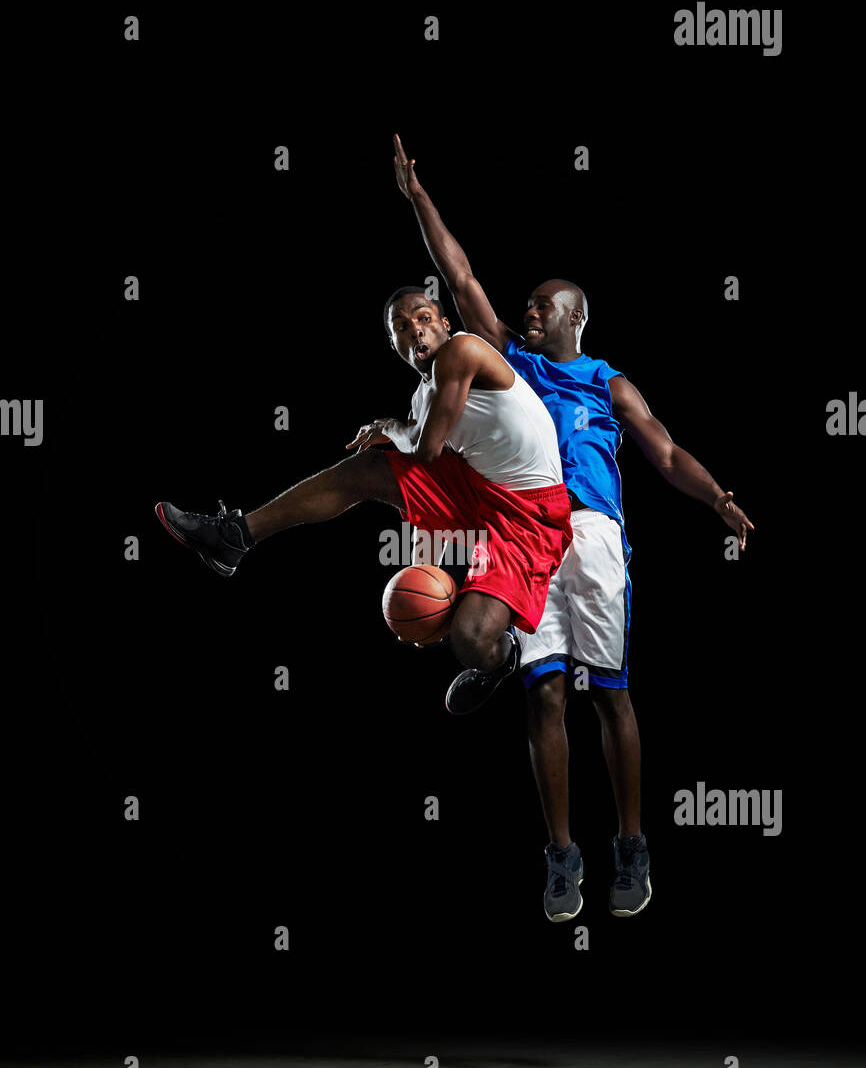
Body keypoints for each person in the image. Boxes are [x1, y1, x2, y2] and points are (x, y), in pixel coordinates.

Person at [392, 134, 755, 922]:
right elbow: (459, 278)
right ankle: (563, 856)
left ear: (575, 318)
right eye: (524, 304)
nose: (525, 311)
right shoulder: (512, 366)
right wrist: (418, 198)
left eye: (540, 305)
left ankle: (632, 842)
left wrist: (718, 498)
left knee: (612, 697)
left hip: (591, 534)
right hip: (527, 534)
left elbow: (664, 451)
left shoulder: (606, 381)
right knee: (543, 695)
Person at [155, 285, 573, 703]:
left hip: (530, 515)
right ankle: (235, 537)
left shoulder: (463, 350)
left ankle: (502, 658)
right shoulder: (422, 398)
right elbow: (423, 489)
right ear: (393, 344)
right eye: (402, 328)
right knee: (371, 468)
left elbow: (425, 450)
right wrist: (422, 580)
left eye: (424, 319)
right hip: (479, 489)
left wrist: (389, 427)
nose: (416, 332)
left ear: (445, 326)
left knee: (469, 642)